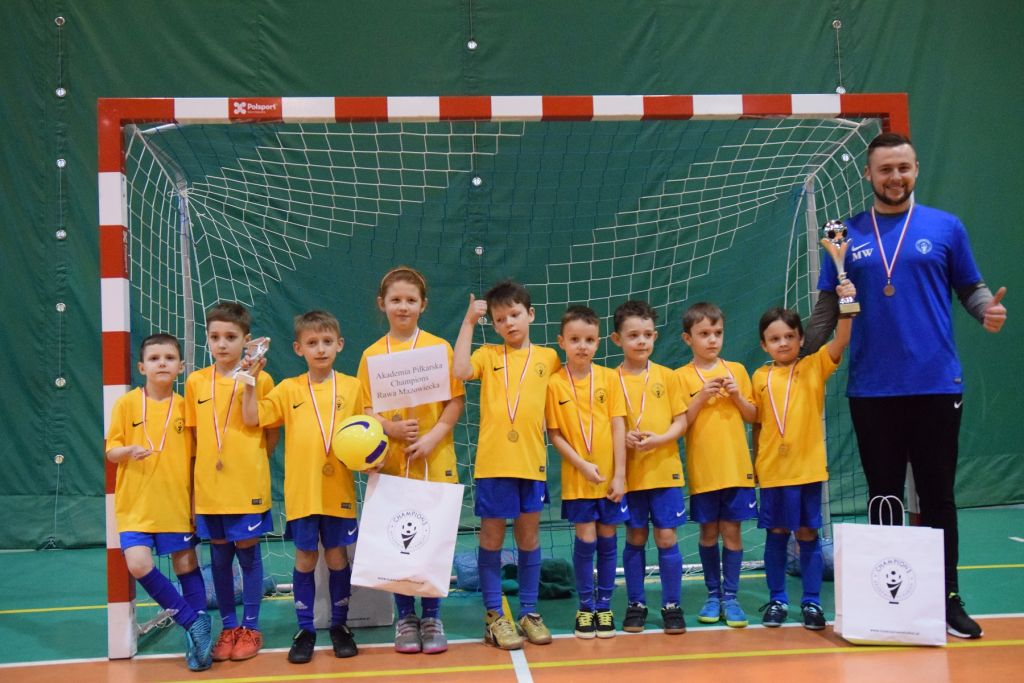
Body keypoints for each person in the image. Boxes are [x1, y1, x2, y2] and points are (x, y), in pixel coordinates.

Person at [809, 132, 1007, 639]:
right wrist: (796, 350)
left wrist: (986, 311)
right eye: (885, 169)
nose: (894, 177)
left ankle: (947, 598)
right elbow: (828, 307)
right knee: (884, 497)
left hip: (936, 384)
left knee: (938, 497)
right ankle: (888, 603)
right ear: (869, 175)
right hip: (873, 388)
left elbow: (971, 287)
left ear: (915, 169)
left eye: (903, 168)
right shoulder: (843, 233)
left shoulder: (946, 226)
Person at [240, 310, 362, 664]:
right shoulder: (288, 389)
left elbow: (367, 429)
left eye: (327, 342)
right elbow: (252, 417)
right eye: (312, 343)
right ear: (298, 348)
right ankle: (305, 629)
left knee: (337, 556)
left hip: (339, 490)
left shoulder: (353, 387)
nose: (320, 349)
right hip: (302, 493)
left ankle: (339, 625)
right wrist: (249, 380)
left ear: (339, 345)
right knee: (306, 558)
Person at [357, 267, 466, 655]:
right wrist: (390, 428)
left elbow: (455, 400)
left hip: (435, 458)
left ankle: (432, 616)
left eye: (410, 300)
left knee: (433, 539)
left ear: (423, 305)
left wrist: (432, 437)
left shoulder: (439, 348)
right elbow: (366, 409)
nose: (402, 307)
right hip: (392, 461)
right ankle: (406, 618)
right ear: (381, 304)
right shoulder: (372, 355)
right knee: (397, 542)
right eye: (395, 300)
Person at [453, 279, 561, 650]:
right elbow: (460, 369)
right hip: (494, 464)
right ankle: (495, 617)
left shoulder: (549, 358)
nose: (509, 323)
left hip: (532, 464)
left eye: (514, 315)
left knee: (529, 538)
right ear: (494, 325)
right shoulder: (487, 355)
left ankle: (529, 612)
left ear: (530, 314)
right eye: (500, 319)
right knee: (492, 539)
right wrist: (469, 321)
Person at [105, 333, 213, 672]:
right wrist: (128, 450)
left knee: (186, 566)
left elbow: (195, 461)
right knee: (138, 564)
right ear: (142, 367)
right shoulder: (127, 404)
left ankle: (198, 639)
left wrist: (195, 505)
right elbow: (111, 451)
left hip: (175, 504)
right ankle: (192, 621)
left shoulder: (185, 407)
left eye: (169, 358)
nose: (161, 363)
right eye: (154, 358)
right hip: (135, 506)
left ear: (181, 367)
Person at [185, 301, 278, 662]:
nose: (222, 344)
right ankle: (228, 627)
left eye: (230, 337)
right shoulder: (196, 382)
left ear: (246, 340)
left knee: (248, 554)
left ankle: (250, 627)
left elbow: (271, 433)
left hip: (247, 486)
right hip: (210, 489)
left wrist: (250, 461)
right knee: (220, 557)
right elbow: (194, 439)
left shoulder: (261, 379)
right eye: (215, 337)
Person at [752, 300, 853, 631]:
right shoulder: (759, 376)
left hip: (808, 471)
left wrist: (846, 303)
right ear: (764, 344)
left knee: (808, 533)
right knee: (777, 534)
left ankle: (812, 602)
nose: (783, 343)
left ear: (801, 338)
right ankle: (778, 600)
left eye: (789, 336)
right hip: (773, 473)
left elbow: (842, 338)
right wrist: (756, 465)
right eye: (775, 338)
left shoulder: (814, 365)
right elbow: (757, 424)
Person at [545, 305, 627, 639]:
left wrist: (619, 474)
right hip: (578, 479)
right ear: (561, 341)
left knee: (607, 538)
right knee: (586, 539)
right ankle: (585, 607)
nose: (582, 346)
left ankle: (604, 606)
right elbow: (554, 434)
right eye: (575, 339)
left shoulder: (610, 378)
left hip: (609, 479)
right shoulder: (554, 384)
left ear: (599, 342)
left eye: (590, 340)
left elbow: (618, 426)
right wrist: (581, 464)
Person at [675, 302, 757, 629]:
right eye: (704, 333)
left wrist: (737, 396)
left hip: (736, 470)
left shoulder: (737, 370)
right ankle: (713, 595)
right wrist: (699, 397)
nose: (712, 339)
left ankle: (731, 597)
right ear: (688, 338)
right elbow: (681, 423)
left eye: (718, 333)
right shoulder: (680, 377)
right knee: (708, 532)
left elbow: (753, 416)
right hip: (704, 471)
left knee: (732, 532)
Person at [611, 300, 688, 635]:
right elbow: (607, 425)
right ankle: (636, 604)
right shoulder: (610, 380)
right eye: (633, 335)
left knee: (667, 537)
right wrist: (623, 437)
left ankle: (672, 605)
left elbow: (681, 421)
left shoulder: (668, 377)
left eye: (646, 334)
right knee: (636, 536)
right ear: (617, 339)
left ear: (655, 336)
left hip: (664, 471)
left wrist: (660, 440)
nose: (640, 341)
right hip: (630, 475)